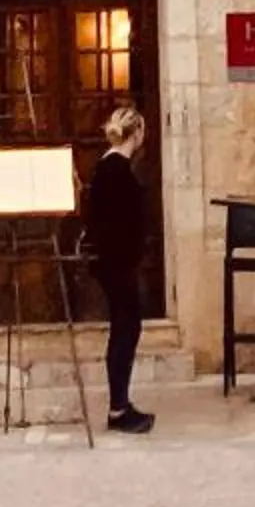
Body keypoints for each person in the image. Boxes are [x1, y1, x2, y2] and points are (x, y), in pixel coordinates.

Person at [84, 105, 154, 434]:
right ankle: (118, 407)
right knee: (125, 332)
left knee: (125, 330)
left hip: (116, 263)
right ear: (136, 132)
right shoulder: (117, 171)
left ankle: (120, 404)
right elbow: (117, 223)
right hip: (118, 264)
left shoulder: (109, 168)